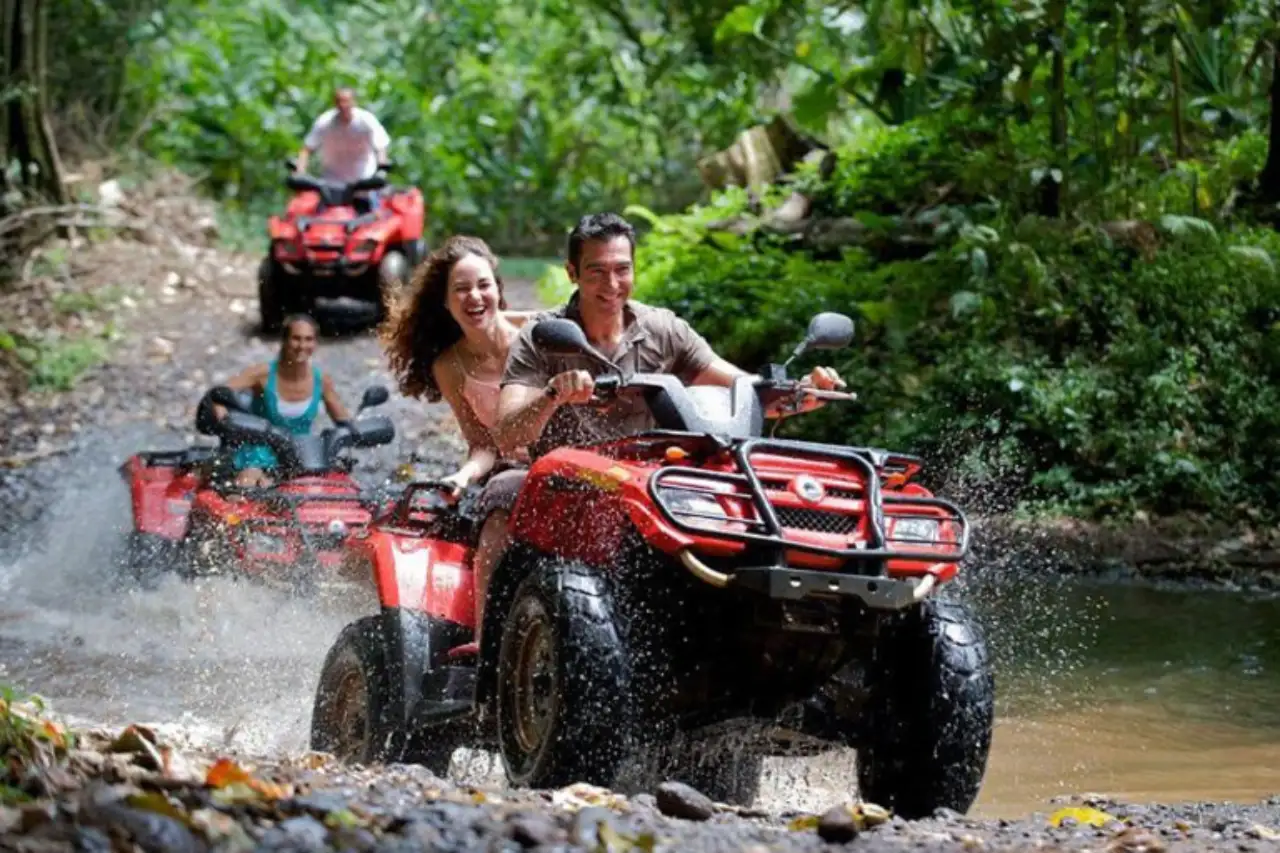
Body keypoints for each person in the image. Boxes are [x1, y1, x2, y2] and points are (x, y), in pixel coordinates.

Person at [465, 212, 845, 643]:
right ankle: (488, 643)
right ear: (572, 273)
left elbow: (743, 387)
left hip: (653, 481)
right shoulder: (541, 336)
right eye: (596, 272)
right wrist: (554, 394)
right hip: (564, 485)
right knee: (500, 493)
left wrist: (800, 391)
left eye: (622, 270)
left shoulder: (663, 329)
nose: (611, 285)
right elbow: (508, 432)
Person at [382, 235, 539, 497]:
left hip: (562, 461)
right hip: (506, 474)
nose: (474, 296)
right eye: (462, 288)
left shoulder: (537, 331)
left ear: (498, 291)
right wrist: (463, 476)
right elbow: (482, 445)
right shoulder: (448, 367)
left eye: (483, 285)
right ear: (445, 301)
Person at [215, 314, 352, 488]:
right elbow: (218, 395)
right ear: (285, 341)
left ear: (315, 343)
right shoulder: (261, 375)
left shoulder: (321, 381)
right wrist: (224, 420)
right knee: (250, 484)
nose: (302, 345)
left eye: (308, 339)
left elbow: (344, 423)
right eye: (296, 339)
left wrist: (357, 432)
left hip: (302, 458)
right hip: (258, 456)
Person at [295, 87, 391, 213]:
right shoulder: (325, 122)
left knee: (371, 218)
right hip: (331, 183)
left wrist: (381, 169)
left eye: (346, 101)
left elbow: (380, 146)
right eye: (339, 101)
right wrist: (300, 171)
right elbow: (307, 149)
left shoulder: (366, 121)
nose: (343, 105)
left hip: (362, 183)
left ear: (353, 102)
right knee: (318, 219)